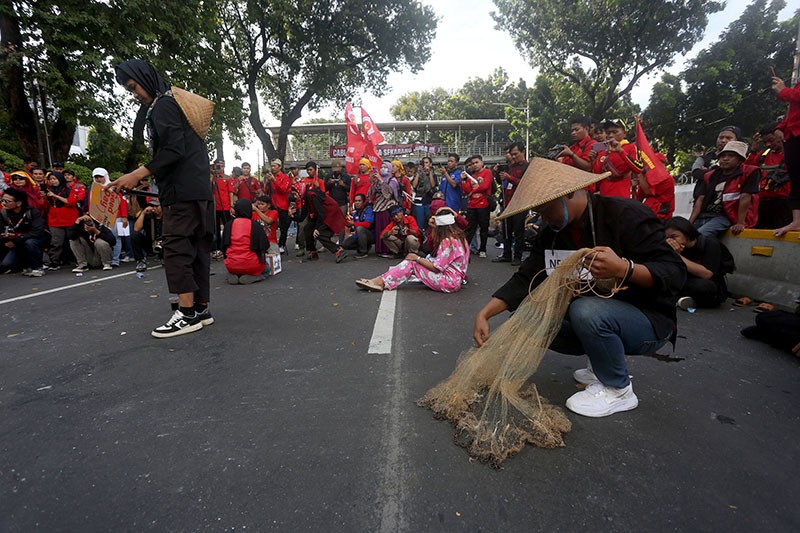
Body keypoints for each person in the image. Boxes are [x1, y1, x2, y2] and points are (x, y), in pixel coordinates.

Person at [473, 158, 686, 417]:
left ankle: (618, 388)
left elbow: (675, 272)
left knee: (587, 310)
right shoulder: (550, 233)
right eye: (538, 213)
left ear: (570, 194)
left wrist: (624, 269)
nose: (543, 218)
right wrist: (485, 313)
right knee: (532, 314)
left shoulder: (625, 214)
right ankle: (600, 363)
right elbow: (527, 278)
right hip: (596, 317)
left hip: (647, 320)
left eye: (547, 209)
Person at [109, 59, 214, 338]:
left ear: (145, 78)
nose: (135, 94)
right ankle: (200, 308)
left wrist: (137, 173)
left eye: (134, 87)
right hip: (198, 190)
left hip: (181, 192)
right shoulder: (174, 103)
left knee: (177, 248)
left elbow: (172, 151)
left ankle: (187, 313)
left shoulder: (163, 105)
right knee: (196, 248)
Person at [356, 211, 470, 293]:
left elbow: (437, 268)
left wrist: (417, 258)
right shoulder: (460, 238)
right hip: (456, 279)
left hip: (448, 282)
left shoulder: (448, 241)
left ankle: (380, 282)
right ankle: (379, 280)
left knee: (412, 263)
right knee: (415, 260)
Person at [689, 140, 759, 237]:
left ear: (740, 160)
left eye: (731, 156)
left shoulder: (749, 172)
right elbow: (700, 199)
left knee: (701, 235)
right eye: (723, 156)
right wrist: (689, 223)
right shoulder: (710, 175)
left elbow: (745, 197)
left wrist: (740, 222)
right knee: (685, 235)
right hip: (705, 214)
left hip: (726, 216)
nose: (725, 159)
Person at [665, 216, 731, 309]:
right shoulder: (671, 247)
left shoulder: (709, 244)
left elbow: (707, 274)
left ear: (686, 233)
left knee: (704, 287)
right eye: (668, 238)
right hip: (684, 282)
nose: (671, 241)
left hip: (708, 285)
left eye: (674, 236)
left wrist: (677, 256)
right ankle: (681, 300)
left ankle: (676, 299)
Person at [746, 123, 791, 229]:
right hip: (761, 203)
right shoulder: (762, 155)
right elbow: (746, 171)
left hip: (785, 203)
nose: (768, 144)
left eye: (771, 140)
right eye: (765, 142)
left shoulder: (792, 153)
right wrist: (753, 150)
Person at [771, 74, 800, 237]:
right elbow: (794, 112)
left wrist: (783, 91)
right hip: (793, 134)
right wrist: (781, 127)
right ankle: (797, 220)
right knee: (796, 180)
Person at [291, 185, 350, 263]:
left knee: (319, 233)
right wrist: (292, 216)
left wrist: (317, 228)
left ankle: (338, 250)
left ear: (300, 191)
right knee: (307, 228)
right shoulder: (304, 199)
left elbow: (321, 213)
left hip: (330, 213)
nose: (295, 197)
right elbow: (302, 217)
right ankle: (312, 252)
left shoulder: (311, 195)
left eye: (295, 194)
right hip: (321, 215)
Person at [0, 188, 49, 276]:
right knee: (6, 264)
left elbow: (37, 232)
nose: (3, 203)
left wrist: (17, 238)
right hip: (16, 241)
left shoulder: (32, 212)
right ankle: (26, 265)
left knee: (30, 243)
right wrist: (6, 239)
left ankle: (38, 268)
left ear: (18, 203)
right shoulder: (4, 213)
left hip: (35, 239)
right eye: (2, 200)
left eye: (7, 201)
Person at [494, 142, 528, 265]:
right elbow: (501, 182)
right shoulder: (511, 167)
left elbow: (526, 185)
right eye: (511, 154)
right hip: (507, 202)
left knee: (518, 231)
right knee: (506, 230)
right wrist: (497, 174)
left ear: (523, 151)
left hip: (520, 203)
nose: (513, 157)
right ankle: (506, 254)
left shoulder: (527, 167)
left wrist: (510, 178)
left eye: (515, 154)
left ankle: (518, 256)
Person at [591, 118, 643, 198]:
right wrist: (593, 161)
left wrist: (621, 151)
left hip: (622, 195)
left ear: (625, 133)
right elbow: (597, 176)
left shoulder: (631, 147)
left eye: (615, 132)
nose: (611, 135)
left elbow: (638, 168)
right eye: (608, 132)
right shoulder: (602, 151)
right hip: (604, 195)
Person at [222, 198, 269, 284]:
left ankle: (235, 275)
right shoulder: (255, 225)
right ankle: (254, 277)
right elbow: (265, 245)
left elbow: (223, 246)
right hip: (251, 264)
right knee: (267, 269)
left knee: (235, 268)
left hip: (231, 265)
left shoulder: (228, 225)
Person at [44, 171, 80, 270]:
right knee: (56, 242)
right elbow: (44, 205)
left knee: (73, 240)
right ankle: (54, 261)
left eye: (55, 179)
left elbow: (71, 202)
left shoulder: (69, 190)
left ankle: (78, 260)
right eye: (51, 179)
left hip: (69, 218)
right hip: (54, 218)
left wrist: (55, 196)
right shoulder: (48, 190)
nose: (53, 181)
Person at [461, 155, 492, 257]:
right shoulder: (471, 176)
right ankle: (465, 249)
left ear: (482, 162)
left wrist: (473, 191)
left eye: (476, 162)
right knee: (469, 228)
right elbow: (467, 190)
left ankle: (482, 249)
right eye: (473, 163)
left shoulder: (487, 172)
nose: (474, 165)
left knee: (484, 228)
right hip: (472, 205)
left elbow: (485, 186)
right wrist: (463, 181)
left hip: (483, 204)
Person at [369, 161, 400, 257]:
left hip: (388, 207)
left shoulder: (393, 180)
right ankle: (380, 249)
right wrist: (373, 182)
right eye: (381, 167)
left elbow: (389, 194)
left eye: (385, 167)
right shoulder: (378, 180)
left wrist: (382, 182)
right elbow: (371, 194)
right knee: (379, 229)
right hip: (378, 207)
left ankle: (389, 250)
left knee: (387, 229)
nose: (383, 169)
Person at [267, 159, 293, 254]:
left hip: (282, 205)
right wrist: (268, 182)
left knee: (283, 226)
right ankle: (271, 243)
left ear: (280, 167)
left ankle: (282, 244)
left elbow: (283, 190)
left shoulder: (285, 177)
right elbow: (266, 191)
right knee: (270, 225)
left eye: (275, 166)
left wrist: (274, 181)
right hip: (272, 205)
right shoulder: (270, 177)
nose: (273, 168)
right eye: (272, 166)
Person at [131, 198, 163, 272]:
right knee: (135, 235)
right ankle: (140, 261)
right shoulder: (149, 216)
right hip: (151, 243)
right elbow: (136, 229)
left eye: (156, 206)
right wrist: (143, 213)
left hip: (165, 243)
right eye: (152, 206)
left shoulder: (168, 216)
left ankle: (164, 257)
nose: (154, 208)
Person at [341, 193, 374, 258]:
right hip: (359, 234)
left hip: (371, 235)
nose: (357, 203)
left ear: (364, 202)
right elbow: (354, 227)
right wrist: (348, 224)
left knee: (360, 228)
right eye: (355, 201)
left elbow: (367, 224)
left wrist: (353, 223)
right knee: (345, 244)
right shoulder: (355, 212)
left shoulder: (368, 210)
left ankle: (363, 252)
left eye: (359, 201)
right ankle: (366, 246)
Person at [212, 160, 232, 259]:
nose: (220, 168)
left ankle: (228, 246)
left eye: (221, 166)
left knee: (227, 227)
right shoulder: (212, 178)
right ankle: (218, 248)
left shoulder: (227, 178)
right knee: (216, 228)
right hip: (215, 206)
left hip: (225, 206)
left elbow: (230, 192)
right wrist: (213, 175)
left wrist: (231, 205)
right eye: (218, 166)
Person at [411, 157, 437, 231]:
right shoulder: (418, 174)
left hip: (429, 200)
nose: (425, 165)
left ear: (430, 164)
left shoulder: (433, 174)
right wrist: (419, 173)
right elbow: (414, 185)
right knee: (419, 222)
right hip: (419, 201)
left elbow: (433, 185)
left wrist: (430, 173)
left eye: (426, 163)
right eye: (423, 163)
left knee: (429, 221)